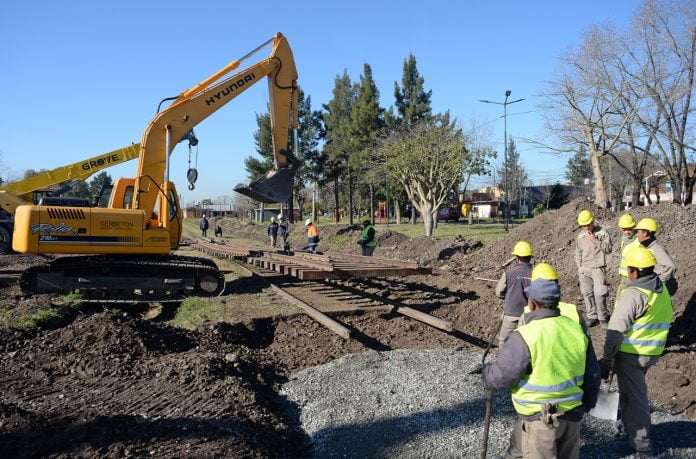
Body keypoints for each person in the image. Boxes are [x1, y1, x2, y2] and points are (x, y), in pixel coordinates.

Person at [483, 277, 600, 459]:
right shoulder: (576, 329)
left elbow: (502, 377)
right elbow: (592, 373)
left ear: (532, 303)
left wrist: (486, 373)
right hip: (572, 416)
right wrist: (588, 403)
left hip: (540, 421)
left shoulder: (525, 335)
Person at [599, 246, 673, 456]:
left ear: (633, 272)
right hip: (652, 351)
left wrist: (606, 360)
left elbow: (615, 332)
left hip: (633, 354)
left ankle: (642, 443)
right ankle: (626, 428)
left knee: (635, 398)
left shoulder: (633, 295)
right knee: (630, 393)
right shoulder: (659, 287)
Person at [574, 209, 613, 328]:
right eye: (583, 225)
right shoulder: (580, 236)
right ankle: (592, 316)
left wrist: (595, 241)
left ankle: (602, 318)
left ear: (592, 221)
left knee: (600, 293)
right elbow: (577, 252)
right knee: (587, 293)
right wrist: (579, 266)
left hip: (598, 268)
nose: (586, 227)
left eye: (588, 224)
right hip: (585, 269)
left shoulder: (602, 233)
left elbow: (608, 249)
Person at [495, 241, 533, 347]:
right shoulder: (536, 273)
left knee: (504, 342)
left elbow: (499, 292)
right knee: (526, 344)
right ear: (530, 257)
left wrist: (509, 297)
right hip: (529, 316)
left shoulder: (509, 273)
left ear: (516, 257)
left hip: (511, 314)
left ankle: (504, 363)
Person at [634, 217, 677, 295]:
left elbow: (670, 266)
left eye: (638, 232)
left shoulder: (657, 249)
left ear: (645, 233)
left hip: (652, 288)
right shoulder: (646, 246)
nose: (636, 234)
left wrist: (659, 282)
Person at [616, 214, 640, 307]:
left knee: (624, 303)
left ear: (634, 227)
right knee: (619, 302)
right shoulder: (624, 240)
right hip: (624, 277)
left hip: (633, 277)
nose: (627, 232)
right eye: (624, 230)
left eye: (629, 229)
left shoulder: (638, 242)